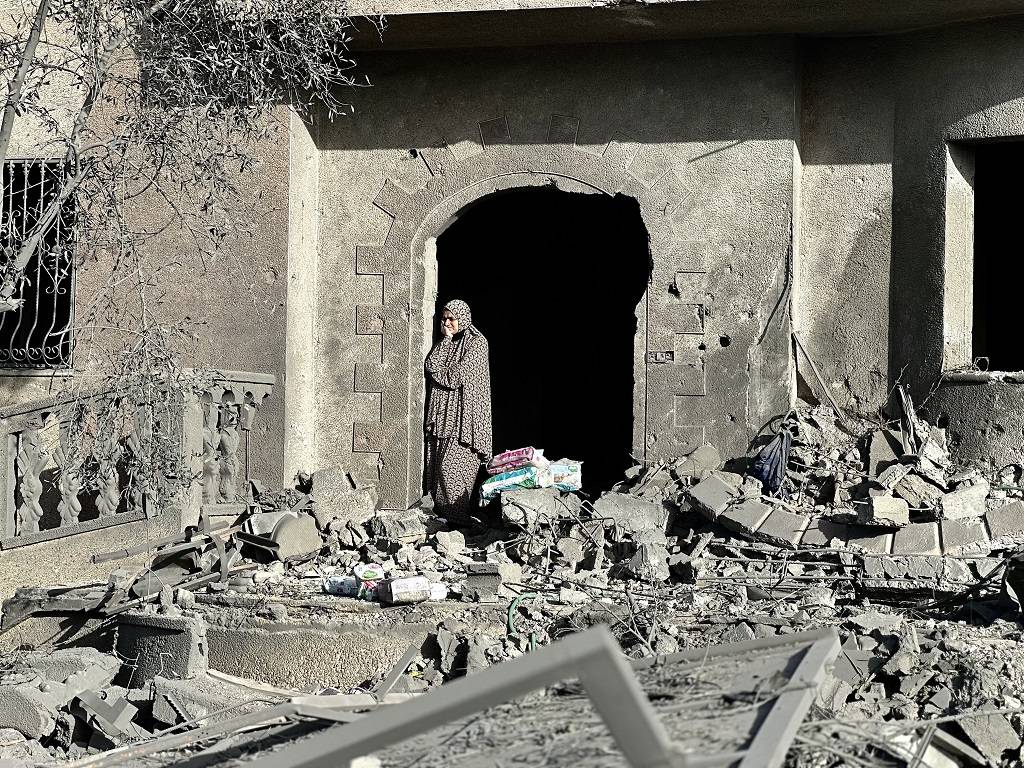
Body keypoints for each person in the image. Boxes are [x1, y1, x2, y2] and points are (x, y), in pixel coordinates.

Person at [424, 299, 492, 519]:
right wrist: (446, 340)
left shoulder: (477, 343)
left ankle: (458, 523)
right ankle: (444, 523)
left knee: (451, 470)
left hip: (464, 422)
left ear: (462, 318)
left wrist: (437, 373)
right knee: (436, 472)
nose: (446, 323)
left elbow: (456, 377)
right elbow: (431, 365)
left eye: (451, 318)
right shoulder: (447, 342)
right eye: (443, 318)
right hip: (442, 419)